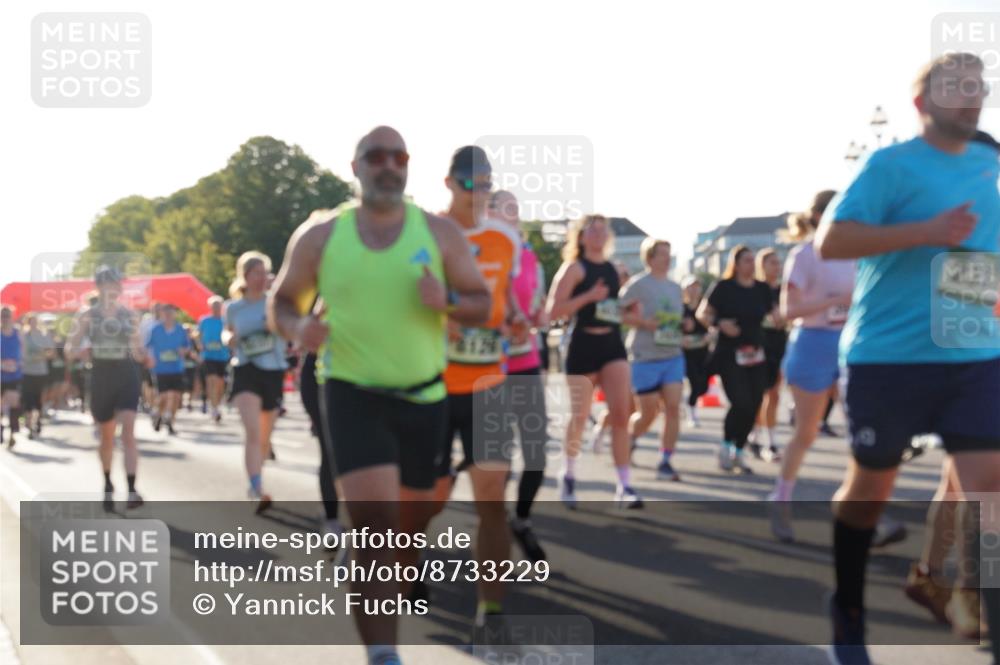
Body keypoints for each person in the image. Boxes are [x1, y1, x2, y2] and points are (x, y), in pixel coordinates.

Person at [269, 126, 490, 665]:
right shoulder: (321, 237)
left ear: (408, 165)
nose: (388, 165)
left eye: (398, 156)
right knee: (374, 529)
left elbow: (482, 304)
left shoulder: (439, 234)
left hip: (425, 396)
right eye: (376, 157)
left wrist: (449, 299)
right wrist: (299, 329)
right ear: (356, 166)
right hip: (352, 392)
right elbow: (283, 303)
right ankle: (383, 655)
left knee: (413, 525)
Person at [814, 53, 999, 664]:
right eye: (955, 88)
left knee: (988, 486)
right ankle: (848, 604)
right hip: (889, 355)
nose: (970, 98)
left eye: (978, 87)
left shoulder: (992, 166)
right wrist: (924, 231)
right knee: (871, 488)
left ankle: (983, 611)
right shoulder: (889, 166)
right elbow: (832, 240)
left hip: (972, 352)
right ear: (922, 104)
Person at [765, 189, 852, 541]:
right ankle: (781, 499)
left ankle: (863, 509)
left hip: (849, 346)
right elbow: (788, 312)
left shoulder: (857, 255)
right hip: (812, 344)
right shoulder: (804, 255)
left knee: (862, 433)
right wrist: (832, 300)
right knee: (806, 432)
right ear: (818, 217)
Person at [548, 215, 641, 508]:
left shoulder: (614, 270)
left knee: (621, 413)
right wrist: (588, 296)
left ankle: (624, 486)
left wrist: (628, 312)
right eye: (593, 229)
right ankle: (569, 472)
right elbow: (554, 312)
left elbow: (613, 312)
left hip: (612, 344)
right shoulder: (574, 269)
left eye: (604, 229)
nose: (599, 234)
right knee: (580, 415)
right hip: (583, 345)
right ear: (581, 236)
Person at [489, 189, 549, 563]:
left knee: (536, 453)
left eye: (514, 208)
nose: (510, 213)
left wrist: (538, 318)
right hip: (486, 369)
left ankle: (521, 519)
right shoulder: (473, 252)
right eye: (501, 206)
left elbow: (538, 306)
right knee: (496, 463)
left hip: (525, 363)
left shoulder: (530, 259)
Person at [64, 266, 147, 509]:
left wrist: (143, 355)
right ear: (99, 287)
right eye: (109, 284)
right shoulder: (86, 315)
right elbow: (69, 349)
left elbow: (137, 349)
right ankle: (108, 483)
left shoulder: (129, 315)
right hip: (100, 376)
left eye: (117, 284)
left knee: (129, 430)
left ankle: (132, 490)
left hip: (126, 374)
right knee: (107, 438)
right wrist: (79, 351)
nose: (114, 288)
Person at [696, 245, 774, 474]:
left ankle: (739, 450)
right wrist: (719, 324)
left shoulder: (761, 288)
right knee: (740, 402)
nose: (751, 264)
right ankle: (725, 446)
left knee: (756, 402)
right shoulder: (723, 287)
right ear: (736, 264)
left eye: (753, 260)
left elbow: (775, 313)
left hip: (757, 352)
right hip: (729, 354)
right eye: (747, 260)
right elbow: (703, 313)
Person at [225, 251, 288, 514]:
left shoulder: (275, 302)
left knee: (264, 434)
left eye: (265, 273)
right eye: (256, 273)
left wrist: (275, 325)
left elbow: (289, 331)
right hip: (246, 369)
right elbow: (227, 329)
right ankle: (256, 488)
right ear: (245, 276)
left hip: (273, 370)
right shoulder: (234, 307)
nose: (262, 278)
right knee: (252, 432)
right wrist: (229, 337)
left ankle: (257, 476)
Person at [621, 238, 686, 482]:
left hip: (672, 355)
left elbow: (677, 319)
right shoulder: (637, 286)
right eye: (662, 254)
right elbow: (620, 314)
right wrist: (645, 324)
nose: (667, 259)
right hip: (644, 355)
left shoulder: (675, 287)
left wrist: (682, 325)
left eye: (669, 254)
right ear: (649, 258)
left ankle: (666, 460)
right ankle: (631, 438)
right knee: (648, 413)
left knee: (672, 408)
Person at [749, 248, 787, 461]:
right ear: (761, 266)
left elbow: (788, 316)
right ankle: (754, 435)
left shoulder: (784, 290)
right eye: (772, 262)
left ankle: (771, 442)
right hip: (758, 346)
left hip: (779, 345)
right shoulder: (755, 290)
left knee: (774, 394)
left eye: (778, 262)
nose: (777, 266)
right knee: (759, 394)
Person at [146, 304, 190, 435]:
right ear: (161, 314)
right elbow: (148, 346)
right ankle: (158, 413)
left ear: (174, 314)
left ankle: (170, 421)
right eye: (165, 313)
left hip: (177, 367)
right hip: (160, 368)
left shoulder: (180, 329)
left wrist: (184, 350)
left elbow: (187, 346)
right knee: (164, 396)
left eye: (170, 313)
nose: (168, 316)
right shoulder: (155, 329)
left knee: (176, 396)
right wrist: (150, 359)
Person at [680, 276, 711, 427]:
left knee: (703, 386)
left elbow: (712, 325)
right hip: (685, 352)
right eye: (691, 286)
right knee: (693, 381)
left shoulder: (704, 307)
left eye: (697, 286)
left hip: (703, 351)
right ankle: (691, 413)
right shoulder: (680, 308)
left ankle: (689, 400)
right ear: (684, 289)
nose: (694, 290)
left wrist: (710, 334)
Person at [19, 314, 54, 439]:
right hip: (27, 372)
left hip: (40, 372)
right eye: (31, 321)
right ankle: (29, 424)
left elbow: (51, 352)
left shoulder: (43, 335)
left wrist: (40, 356)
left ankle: (38, 421)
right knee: (28, 398)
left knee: (39, 399)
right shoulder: (23, 336)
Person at [198, 296, 230, 423]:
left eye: (218, 306)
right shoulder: (204, 321)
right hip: (208, 356)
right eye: (214, 306)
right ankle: (215, 408)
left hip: (223, 356)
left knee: (221, 384)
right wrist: (201, 346)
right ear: (210, 307)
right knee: (212, 381)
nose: (216, 308)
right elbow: (198, 336)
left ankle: (216, 404)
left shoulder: (226, 321)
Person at [1, 307, 23, 448]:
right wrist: (2, 364)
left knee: (14, 404)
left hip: (15, 374)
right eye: (3, 315)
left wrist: (18, 364)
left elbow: (24, 354)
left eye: (8, 315)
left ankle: (12, 435)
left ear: (12, 317)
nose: (5, 318)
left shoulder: (18, 333)